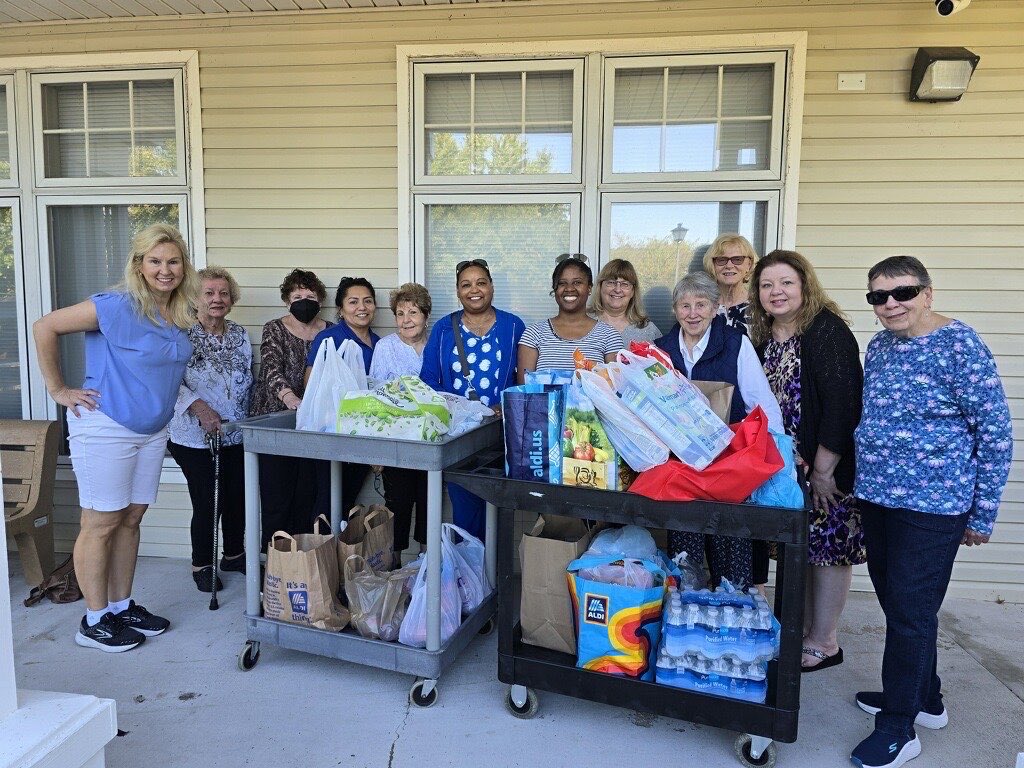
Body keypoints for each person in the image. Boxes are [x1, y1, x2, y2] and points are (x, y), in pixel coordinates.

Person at [849, 256, 1011, 768]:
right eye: (879, 296)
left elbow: (995, 431)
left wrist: (982, 513)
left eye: (903, 292)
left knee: (910, 616)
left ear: (928, 293)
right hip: (877, 499)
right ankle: (926, 699)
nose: (891, 304)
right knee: (903, 609)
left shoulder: (960, 346)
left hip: (933, 507)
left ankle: (899, 728)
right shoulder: (879, 346)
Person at [32, 223, 196, 652]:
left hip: (152, 430)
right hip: (105, 427)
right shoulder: (115, 306)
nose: (165, 269)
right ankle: (93, 619)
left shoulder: (179, 313)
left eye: (173, 261)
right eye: (155, 261)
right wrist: (58, 389)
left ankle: (121, 606)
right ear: (139, 266)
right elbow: (44, 326)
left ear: (183, 266)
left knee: (131, 519)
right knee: (101, 522)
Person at [748, 249, 866, 674]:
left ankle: (824, 641)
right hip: (782, 467)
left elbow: (842, 405)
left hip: (824, 466)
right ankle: (799, 633)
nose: (776, 292)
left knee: (829, 549)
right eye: (766, 285)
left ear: (804, 286)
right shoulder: (761, 336)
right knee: (802, 549)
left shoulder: (826, 332)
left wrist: (822, 470)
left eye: (785, 283)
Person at [653, 271, 782, 588]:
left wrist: (780, 452)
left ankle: (734, 609)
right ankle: (688, 612)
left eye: (701, 304)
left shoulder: (735, 344)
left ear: (715, 309)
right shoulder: (661, 349)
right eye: (685, 305)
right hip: (680, 465)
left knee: (732, 543)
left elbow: (760, 401)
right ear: (675, 309)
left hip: (729, 463)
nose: (693, 313)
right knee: (686, 552)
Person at [421, 259, 525, 539]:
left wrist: (504, 406)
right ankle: (470, 579)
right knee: (465, 512)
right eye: (466, 284)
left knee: (499, 510)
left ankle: (495, 577)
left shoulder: (513, 326)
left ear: (491, 286)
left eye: (481, 282)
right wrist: (458, 410)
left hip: (501, 435)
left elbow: (525, 378)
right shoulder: (444, 328)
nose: (474, 290)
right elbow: (428, 379)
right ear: (457, 291)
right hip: (458, 437)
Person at [167, 267, 252, 593]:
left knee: (236, 499)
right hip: (194, 435)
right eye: (209, 293)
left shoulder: (239, 334)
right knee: (208, 501)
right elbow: (169, 382)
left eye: (224, 293)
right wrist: (199, 408)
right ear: (194, 297)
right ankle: (202, 563)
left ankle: (234, 554)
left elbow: (247, 379)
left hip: (235, 431)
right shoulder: (180, 334)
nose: (217, 299)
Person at [249, 269, 332, 550]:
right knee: (276, 499)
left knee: (305, 497)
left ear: (320, 299)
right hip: (277, 424)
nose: (304, 301)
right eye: (297, 296)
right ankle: (271, 565)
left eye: (310, 296)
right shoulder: (274, 328)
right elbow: (271, 369)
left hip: (313, 427)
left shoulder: (330, 330)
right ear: (287, 300)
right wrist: (292, 400)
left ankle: (299, 564)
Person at [306, 276, 381, 516]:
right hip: (331, 433)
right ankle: (320, 551)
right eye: (353, 302)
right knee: (328, 500)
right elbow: (311, 383)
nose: (362, 307)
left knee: (348, 497)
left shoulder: (380, 344)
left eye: (368, 301)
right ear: (341, 309)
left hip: (365, 433)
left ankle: (342, 551)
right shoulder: (329, 339)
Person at [369, 283, 432, 561]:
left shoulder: (437, 343)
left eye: (413, 312)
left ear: (425, 316)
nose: (406, 320)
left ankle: (424, 565)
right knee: (398, 502)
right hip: (396, 437)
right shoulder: (385, 347)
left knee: (429, 500)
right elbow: (376, 394)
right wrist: (378, 449)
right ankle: (392, 563)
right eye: (400, 313)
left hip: (431, 437)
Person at [518, 254, 622, 381]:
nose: (569, 288)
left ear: (589, 288)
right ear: (555, 289)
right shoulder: (534, 334)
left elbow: (615, 391)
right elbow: (523, 393)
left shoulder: (610, 336)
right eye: (562, 283)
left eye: (577, 282)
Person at [590, 258, 661, 346]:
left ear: (632, 291)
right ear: (600, 287)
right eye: (611, 282)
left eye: (625, 284)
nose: (617, 289)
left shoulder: (649, 330)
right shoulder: (582, 323)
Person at [704, 233, 758, 335]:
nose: (729, 265)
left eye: (737, 259)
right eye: (721, 260)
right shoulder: (702, 306)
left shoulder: (761, 307)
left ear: (749, 265)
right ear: (713, 265)